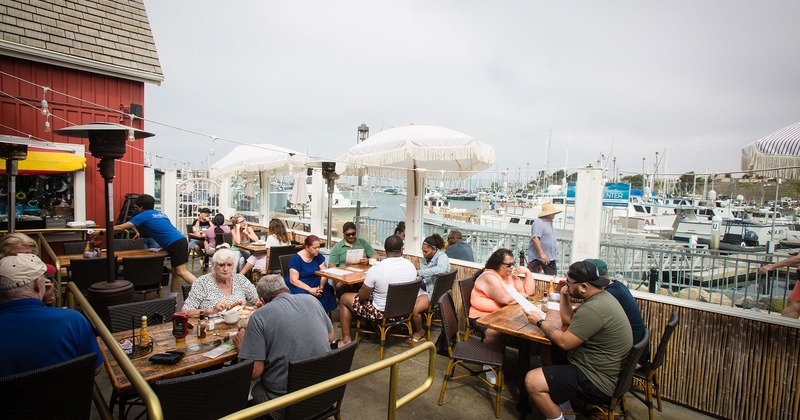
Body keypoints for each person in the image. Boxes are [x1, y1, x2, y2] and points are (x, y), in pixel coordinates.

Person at [524, 260, 633, 420]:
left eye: (569, 283)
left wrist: (540, 322)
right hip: (601, 368)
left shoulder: (593, 309)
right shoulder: (601, 297)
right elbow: (568, 320)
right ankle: (563, 404)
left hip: (597, 381)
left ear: (584, 287)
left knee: (532, 380)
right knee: (548, 350)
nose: (566, 285)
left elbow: (565, 342)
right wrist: (563, 294)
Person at [234, 277, 333, 405]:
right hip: (325, 392)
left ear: (263, 301)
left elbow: (254, 372)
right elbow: (330, 337)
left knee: (256, 388)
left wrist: (242, 348)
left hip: (289, 403)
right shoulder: (312, 300)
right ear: (286, 289)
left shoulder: (258, 317)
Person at [0, 254, 103, 376]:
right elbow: (96, 368)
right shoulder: (72, 320)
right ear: (38, 284)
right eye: (44, 276)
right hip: (68, 394)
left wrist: (44, 298)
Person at [337, 235, 417, 346]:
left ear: (385, 249)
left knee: (344, 298)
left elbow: (362, 297)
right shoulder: (411, 266)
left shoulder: (377, 268)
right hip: (405, 312)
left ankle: (346, 340)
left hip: (381, 314)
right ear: (401, 249)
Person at [114, 194, 196, 296]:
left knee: (181, 271)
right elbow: (166, 230)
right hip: (180, 240)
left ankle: (207, 290)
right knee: (175, 272)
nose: (137, 209)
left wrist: (98, 232)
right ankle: (173, 298)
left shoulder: (143, 215)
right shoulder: (161, 214)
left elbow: (119, 228)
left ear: (141, 207)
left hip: (176, 243)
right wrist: (164, 246)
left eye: (137, 207)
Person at [585, 258, 650, 365]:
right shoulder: (617, 286)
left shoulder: (609, 295)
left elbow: (586, 320)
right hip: (636, 350)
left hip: (629, 358)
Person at [469, 248, 536, 344]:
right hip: (482, 317)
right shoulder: (489, 276)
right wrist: (522, 295)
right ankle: (486, 355)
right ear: (497, 264)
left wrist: (527, 273)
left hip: (502, 315)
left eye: (513, 264)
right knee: (495, 332)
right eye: (509, 265)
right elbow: (506, 300)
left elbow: (529, 292)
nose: (512, 267)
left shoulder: (508, 275)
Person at [182, 248, 259, 317]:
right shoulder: (202, 283)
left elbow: (256, 301)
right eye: (221, 265)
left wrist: (260, 303)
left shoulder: (241, 280)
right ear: (214, 266)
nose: (225, 269)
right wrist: (210, 311)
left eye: (229, 265)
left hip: (239, 326)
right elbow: (185, 312)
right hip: (212, 328)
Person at [409, 234, 450, 343]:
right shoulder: (424, 260)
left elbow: (441, 269)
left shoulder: (442, 256)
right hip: (422, 288)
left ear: (434, 249)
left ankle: (419, 331)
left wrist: (420, 272)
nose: (424, 254)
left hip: (432, 292)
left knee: (414, 310)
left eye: (426, 251)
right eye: (422, 251)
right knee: (403, 301)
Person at [0, 232, 56, 304]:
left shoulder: (38, 270)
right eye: (16, 255)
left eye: (28, 255)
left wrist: (45, 296)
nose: (23, 259)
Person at [286, 235, 336, 312]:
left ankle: (321, 315)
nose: (318, 250)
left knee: (328, 290)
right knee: (306, 296)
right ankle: (309, 317)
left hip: (315, 282)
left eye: (319, 247)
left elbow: (324, 273)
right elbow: (294, 280)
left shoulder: (318, 256)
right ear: (307, 247)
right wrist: (310, 290)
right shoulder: (296, 258)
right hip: (300, 284)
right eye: (315, 248)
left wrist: (321, 288)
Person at [329, 221, 376, 296]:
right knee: (340, 286)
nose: (351, 236)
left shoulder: (363, 243)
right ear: (343, 234)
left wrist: (368, 260)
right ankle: (345, 303)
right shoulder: (337, 247)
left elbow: (376, 255)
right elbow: (331, 266)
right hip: (344, 276)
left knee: (369, 284)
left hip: (361, 275)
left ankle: (361, 304)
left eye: (353, 234)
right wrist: (340, 275)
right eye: (348, 234)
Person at [527, 202, 561, 275]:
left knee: (552, 278)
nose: (554, 214)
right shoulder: (539, 222)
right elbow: (535, 238)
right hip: (537, 258)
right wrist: (542, 254)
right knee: (532, 278)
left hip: (550, 257)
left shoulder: (550, 223)